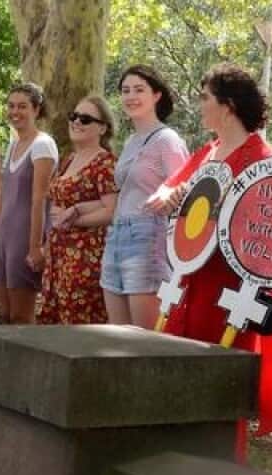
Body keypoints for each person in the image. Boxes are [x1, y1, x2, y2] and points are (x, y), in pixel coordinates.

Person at [148, 63, 272, 460]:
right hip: (188, 282)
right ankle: (175, 461)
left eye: (204, 97)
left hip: (228, 291)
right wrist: (168, 195)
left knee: (220, 383)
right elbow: (166, 188)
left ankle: (217, 470)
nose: (199, 105)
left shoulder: (261, 157)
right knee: (178, 376)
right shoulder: (206, 151)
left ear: (227, 105)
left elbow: (267, 229)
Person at [98, 65, 189, 329]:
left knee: (143, 338)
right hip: (116, 235)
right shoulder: (131, 141)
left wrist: (171, 192)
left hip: (147, 235)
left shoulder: (168, 140)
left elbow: (185, 188)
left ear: (156, 95)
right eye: (125, 91)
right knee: (117, 334)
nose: (131, 97)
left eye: (139, 90)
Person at [39, 96, 118, 325]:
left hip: (85, 258)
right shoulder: (69, 159)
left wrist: (73, 218)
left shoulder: (105, 163)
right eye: (73, 116)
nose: (77, 122)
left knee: (79, 324)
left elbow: (111, 211)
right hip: (57, 255)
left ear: (102, 127)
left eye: (85, 119)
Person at [0, 83, 57, 324]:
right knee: (5, 313)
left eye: (22, 106)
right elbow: (2, 197)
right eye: (11, 106)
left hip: (25, 235)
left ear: (36, 109)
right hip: (5, 235)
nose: (15, 111)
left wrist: (36, 246)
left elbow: (39, 198)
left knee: (21, 315)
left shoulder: (43, 145)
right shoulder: (14, 143)